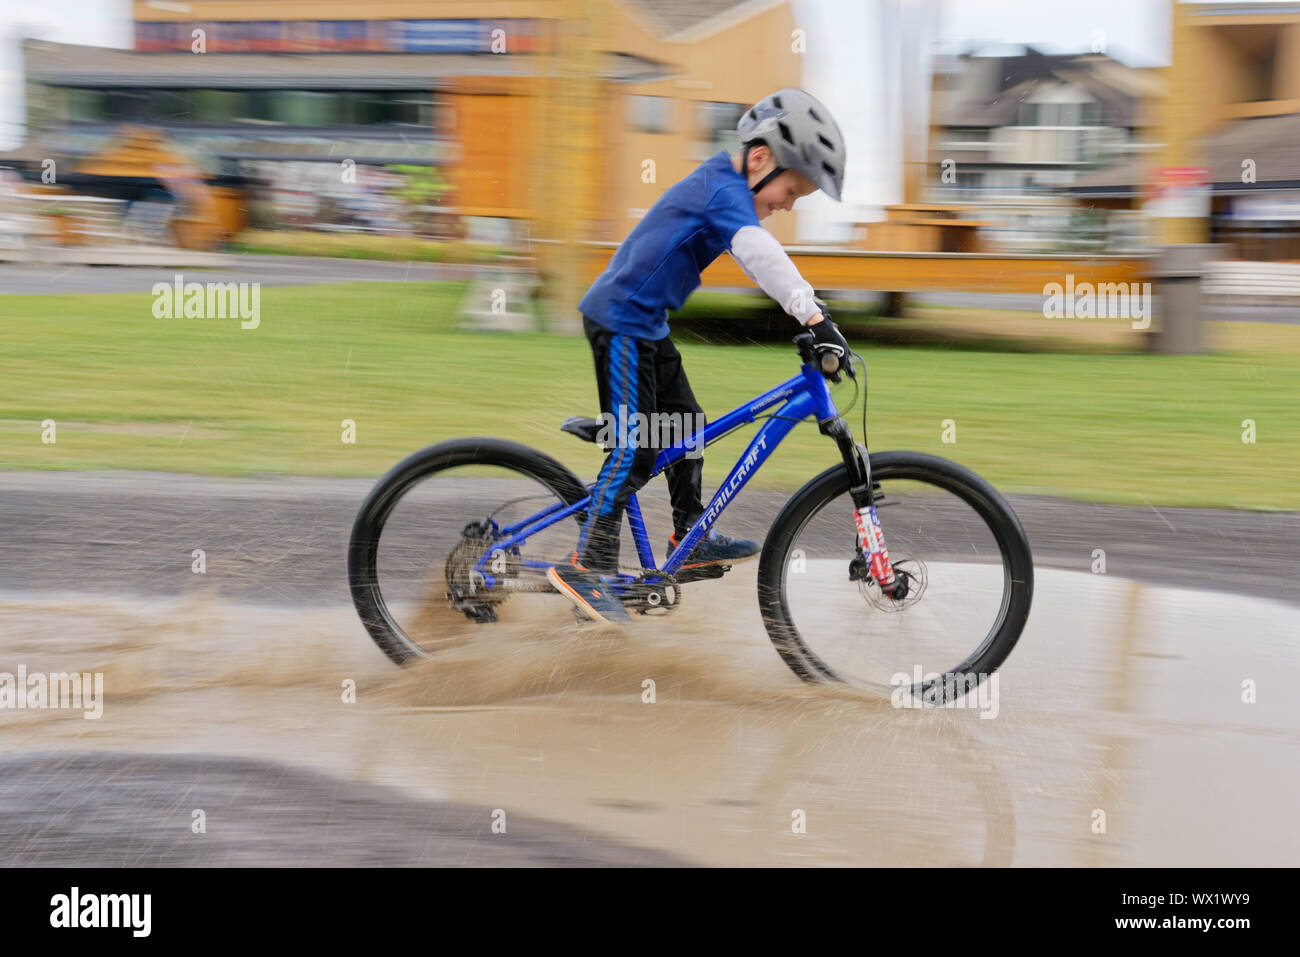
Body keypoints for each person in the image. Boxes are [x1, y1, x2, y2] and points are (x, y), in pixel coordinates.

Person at [547, 88, 852, 624]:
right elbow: (759, 254)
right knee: (636, 449)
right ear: (760, 159)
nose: (787, 203)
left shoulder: (726, 186)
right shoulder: (722, 190)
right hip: (620, 321)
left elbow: (758, 249)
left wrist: (813, 313)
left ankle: (691, 537)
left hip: (645, 326)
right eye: (791, 190)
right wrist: (814, 317)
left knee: (686, 426)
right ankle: (585, 565)